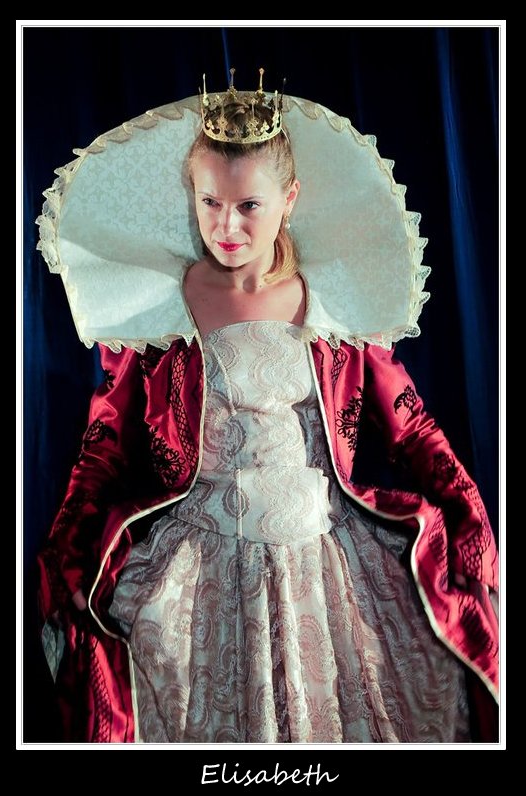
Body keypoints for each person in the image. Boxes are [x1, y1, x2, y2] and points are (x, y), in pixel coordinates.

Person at [36, 69, 499, 744]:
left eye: (249, 205)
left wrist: (469, 521)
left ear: (290, 199)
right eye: (210, 202)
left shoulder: (337, 314)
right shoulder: (156, 317)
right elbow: (102, 449)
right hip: (201, 567)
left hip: (325, 561)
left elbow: (414, 430)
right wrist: (69, 554)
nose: (226, 225)